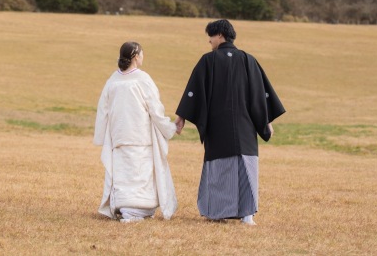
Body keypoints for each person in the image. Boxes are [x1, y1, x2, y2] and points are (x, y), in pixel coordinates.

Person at [175, 19, 285, 225]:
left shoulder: (208, 61)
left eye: (210, 36)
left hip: (218, 126)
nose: (209, 41)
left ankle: (217, 212)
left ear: (219, 35)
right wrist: (266, 121)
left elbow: (194, 92)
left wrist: (181, 117)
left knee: (220, 168)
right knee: (246, 168)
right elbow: (261, 96)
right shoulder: (248, 60)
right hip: (246, 127)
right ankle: (247, 215)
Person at [93, 41, 179, 222]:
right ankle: (134, 209)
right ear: (135, 56)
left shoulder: (113, 79)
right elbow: (155, 109)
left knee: (123, 172)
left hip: (119, 134)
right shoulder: (142, 78)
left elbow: (103, 109)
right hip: (140, 135)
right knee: (140, 172)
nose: (143, 56)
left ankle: (126, 207)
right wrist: (169, 127)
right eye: (141, 53)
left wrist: (101, 135)